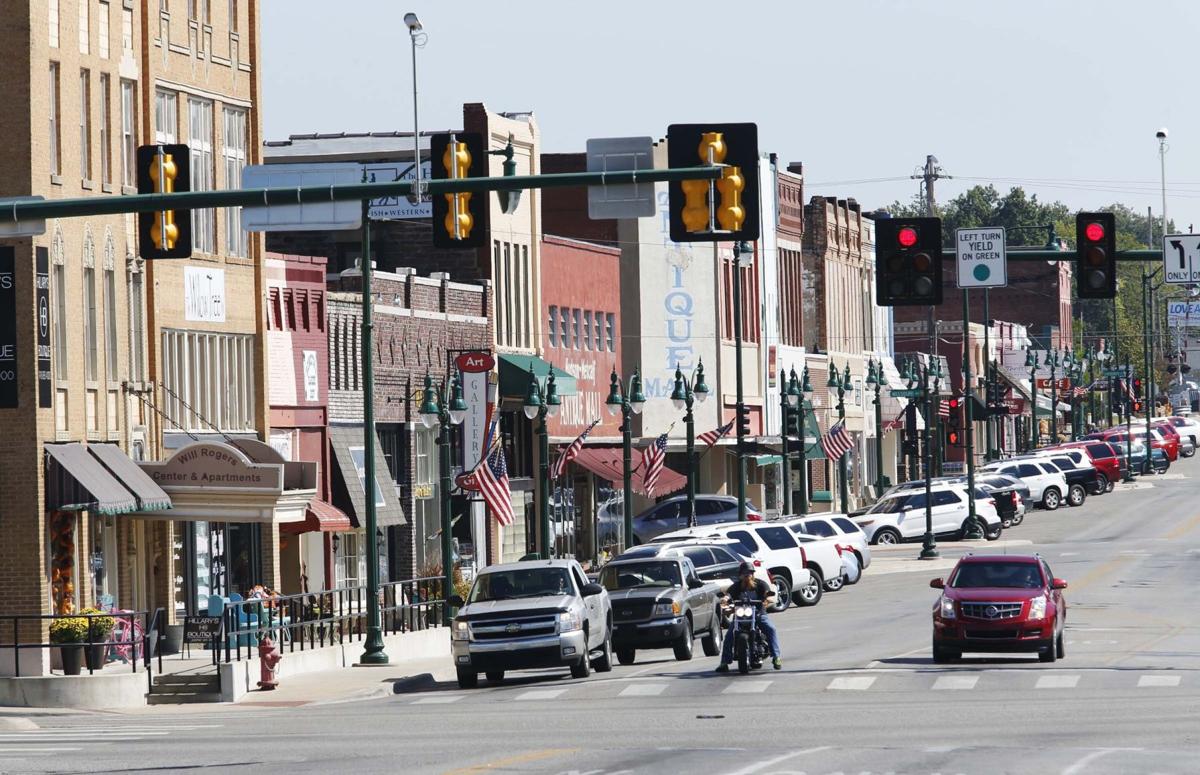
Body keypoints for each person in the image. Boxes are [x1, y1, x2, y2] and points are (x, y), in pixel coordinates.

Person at [715, 562, 782, 672]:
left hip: (758, 613)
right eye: (744, 573)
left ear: (753, 574)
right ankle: (724, 662)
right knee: (729, 635)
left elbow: (765, 591)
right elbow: (729, 594)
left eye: (749, 573)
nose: (747, 575)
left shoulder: (760, 584)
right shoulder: (736, 586)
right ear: (740, 575)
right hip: (740, 615)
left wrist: (766, 595)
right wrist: (725, 599)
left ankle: (776, 657)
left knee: (771, 629)